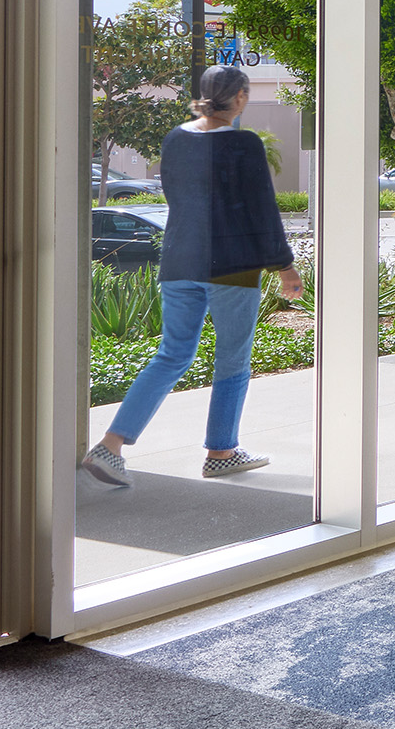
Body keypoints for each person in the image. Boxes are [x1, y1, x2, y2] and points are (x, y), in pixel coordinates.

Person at [77, 65, 305, 488]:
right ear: (239, 98)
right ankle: (221, 452)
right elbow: (262, 209)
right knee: (232, 358)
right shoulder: (244, 144)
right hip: (233, 267)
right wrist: (284, 266)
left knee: (173, 354)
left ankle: (110, 445)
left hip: (179, 261)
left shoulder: (176, 139)